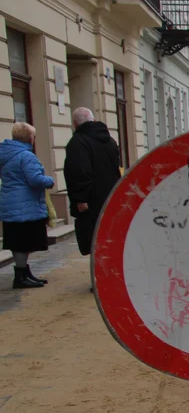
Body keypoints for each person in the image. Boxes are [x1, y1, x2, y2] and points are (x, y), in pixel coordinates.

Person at [64, 108, 122, 284]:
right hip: (110, 197)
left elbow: (78, 171)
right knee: (108, 237)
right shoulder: (109, 140)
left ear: (75, 124)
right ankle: (111, 273)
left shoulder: (78, 142)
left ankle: (99, 277)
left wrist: (80, 198)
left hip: (91, 200)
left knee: (93, 239)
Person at [0, 122, 55, 289]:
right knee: (23, 242)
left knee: (17, 241)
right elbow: (35, 179)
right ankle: (21, 277)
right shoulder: (26, 155)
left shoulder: (6, 153)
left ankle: (24, 274)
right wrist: (49, 181)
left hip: (11, 202)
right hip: (25, 205)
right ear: (30, 138)